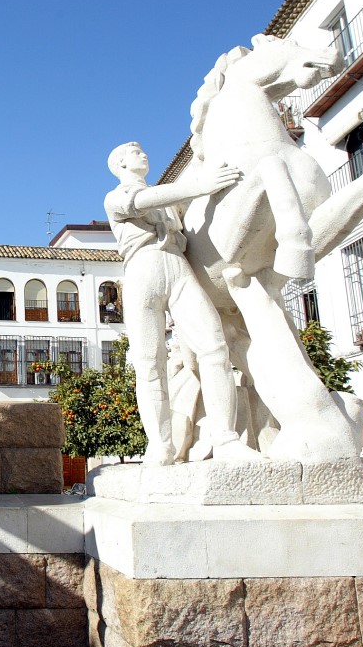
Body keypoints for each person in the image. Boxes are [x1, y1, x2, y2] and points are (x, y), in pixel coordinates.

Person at [104, 141, 258, 464]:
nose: (143, 153)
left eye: (143, 149)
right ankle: (160, 445)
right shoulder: (116, 197)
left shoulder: (168, 201)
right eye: (134, 152)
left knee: (215, 346)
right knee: (149, 364)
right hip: (141, 269)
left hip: (177, 265)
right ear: (120, 164)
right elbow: (143, 201)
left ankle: (225, 439)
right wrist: (200, 186)